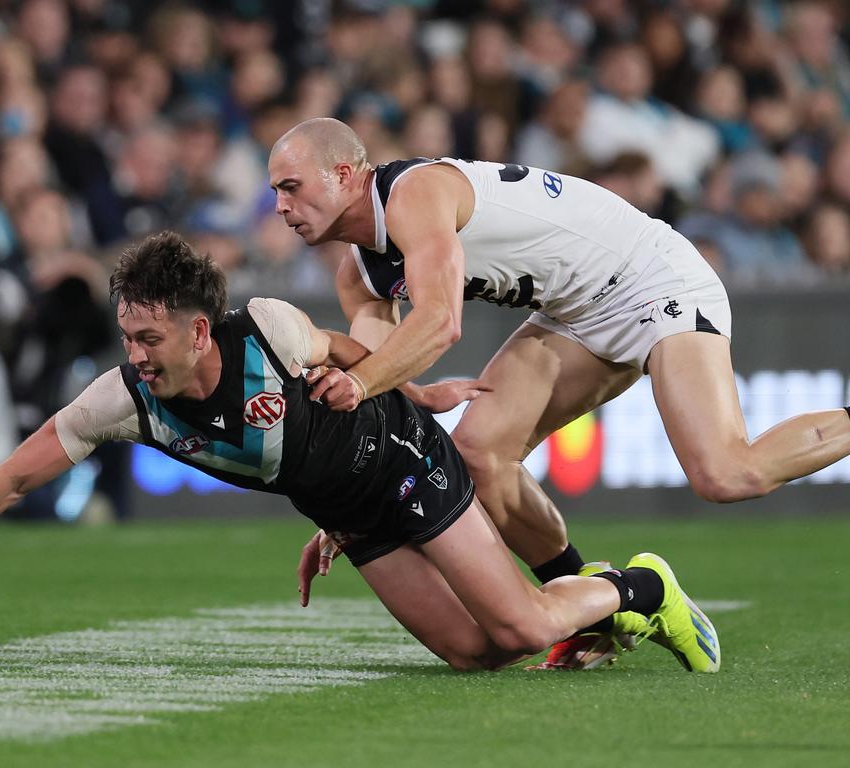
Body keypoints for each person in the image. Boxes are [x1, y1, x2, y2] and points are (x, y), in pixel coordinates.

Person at [0, 230, 719, 673]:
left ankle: (637, 583)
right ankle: (608, 596)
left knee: (520, 628)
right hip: (348, 513)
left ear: (197, 330)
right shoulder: (121, 401)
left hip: (402, 462)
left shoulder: (266, 329)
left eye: (149, 338)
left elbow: (345, 351)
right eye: (126, 336)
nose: (136, 355)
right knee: (476, 655)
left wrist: (419, 393)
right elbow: (12, 476)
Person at [268, 117, 850, 667]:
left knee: (726, 473)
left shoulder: (412, 195)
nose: (281, 207)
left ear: (344, 174)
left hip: (650, 277)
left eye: (292, 187)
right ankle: (594, 603)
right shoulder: (359, 275)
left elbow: (439, 322)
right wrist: (347, 506)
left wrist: (363, 379)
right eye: (276, 192)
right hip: (574, 311)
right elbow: (380, 396)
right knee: (478, 455)